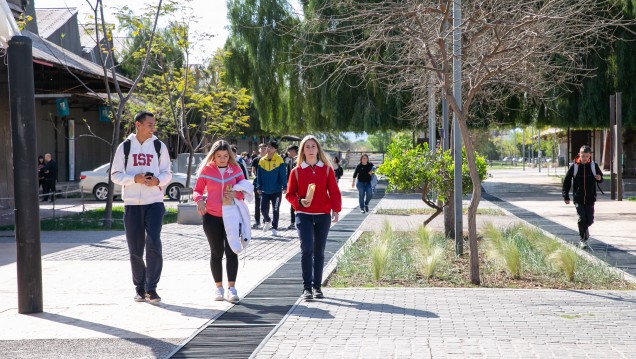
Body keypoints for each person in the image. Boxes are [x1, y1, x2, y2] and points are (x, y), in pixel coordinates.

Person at [111, 111, 172, 303]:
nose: (153, 128)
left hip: (154, 202)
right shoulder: (125, 147)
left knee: (154, 242)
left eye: (154, 125)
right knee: (135, 247)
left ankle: (151, 288)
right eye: (149, 125)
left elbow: (167, 173)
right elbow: (115, 175)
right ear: (138, 124)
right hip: (132, 204)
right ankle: (139, 287)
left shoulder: (158, 146)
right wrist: (133, 179)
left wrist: (157, 181)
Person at [286, 135, 342, 300]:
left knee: (319, 251)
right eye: (307, 147)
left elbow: (333, 191)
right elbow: (289, 195)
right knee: (307, 249)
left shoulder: (326, 169)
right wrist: (299, 201)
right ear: (302, 150)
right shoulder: (296, 172)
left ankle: (317, 287)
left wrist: (336, 210)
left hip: (323, 215)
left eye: (313, 146)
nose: (310, 149)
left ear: (318, 149)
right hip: (303, 215)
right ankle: (307, 288)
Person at [193, 140, 248, 303]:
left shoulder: (236, 170)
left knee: (232, 251)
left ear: (230, 156)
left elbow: (244, 190)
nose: (223, 159)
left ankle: (232, 289)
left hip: (231, 215)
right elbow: (197, 190)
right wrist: (200, 200)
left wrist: (236, 195)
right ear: (213, 156)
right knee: (216, 252)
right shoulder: (207, 170)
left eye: (225, 156)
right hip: (211, 216)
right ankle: (219, 288)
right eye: (219, 156)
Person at [562, 145, 603, 249]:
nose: (583, 158)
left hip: (590, 198)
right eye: (582, 155)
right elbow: (567, 181)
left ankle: (585, 230)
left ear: (589, 156)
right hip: (578, 198)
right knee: (581, 219)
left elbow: (600, 177)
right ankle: (582, 240)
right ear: (579, 154)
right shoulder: (574, 166)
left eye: (586, 156)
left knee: (589, 220)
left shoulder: (594, 166)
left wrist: (599, 178)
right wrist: (565, 195)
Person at [255, 139, 287, 236]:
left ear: (275, 150)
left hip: (276, 191)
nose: (269, 149)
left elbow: (283, 174)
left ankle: (275, 227)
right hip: (265, 190)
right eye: (268, 147)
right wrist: (259, 186)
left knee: (275, 209)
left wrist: (285, 186)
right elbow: (259, 175)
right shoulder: (262, 160)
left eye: (271, 147)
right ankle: (267, 220)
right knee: (263, 208)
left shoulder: (279, 160)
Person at [251, 143, 267, 229]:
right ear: (259, 150)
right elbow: (252, 171)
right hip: (257, 183)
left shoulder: (269, 159)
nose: (263, 150)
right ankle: (257, 221)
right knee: (257, 202)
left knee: (266, 202)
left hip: (267, 183)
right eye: (261, 148)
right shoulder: (256, 159)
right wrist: (255, 177)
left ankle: (266, 220)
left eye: (265, 148)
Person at [285, 145, 299, 229]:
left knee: (295, 203)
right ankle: (293, 221)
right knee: (292, 203)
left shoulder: (298, 160)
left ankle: (294, 221)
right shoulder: (290, 160)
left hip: (298, 186)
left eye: (289, 151)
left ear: (293, 151)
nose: (288, 153)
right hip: (291, 184)